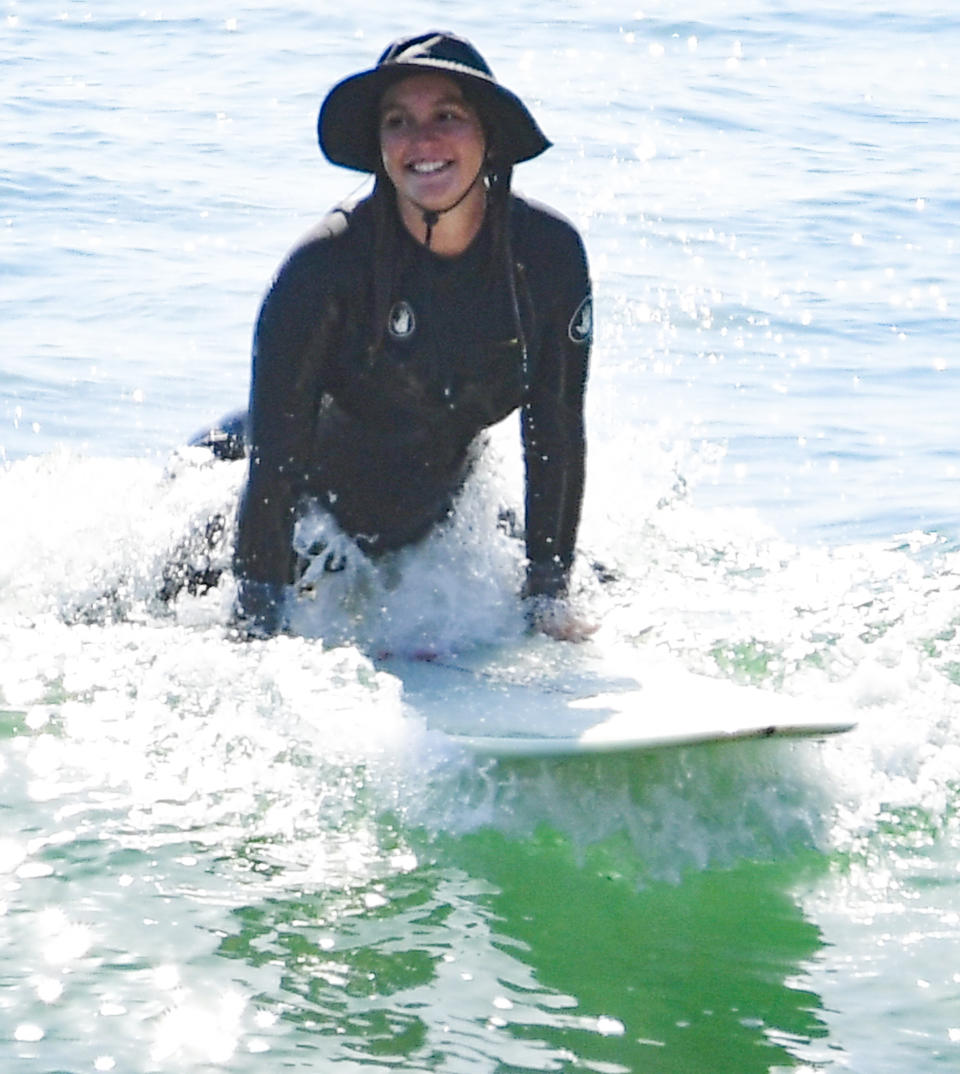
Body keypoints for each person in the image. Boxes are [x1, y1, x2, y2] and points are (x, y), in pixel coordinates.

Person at [230, 31, 594, 641]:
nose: (422, 141)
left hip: (430, 514)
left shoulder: (546, 258)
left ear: (489, 135)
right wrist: (256, 626)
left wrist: (548, 594)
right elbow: (274, 467)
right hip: (270, 496)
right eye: (398, 121)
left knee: (602, 585)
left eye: (446, 116)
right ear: (378, 145)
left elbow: (555, 429)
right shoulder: (323, 270)